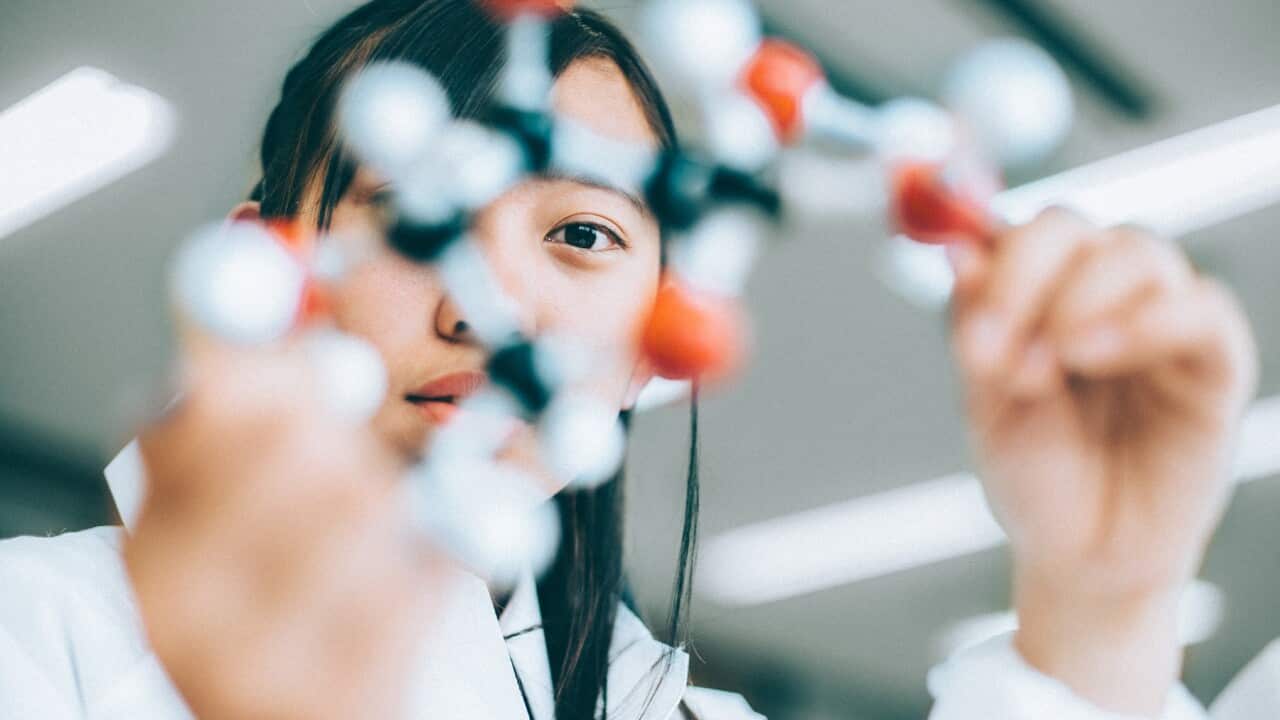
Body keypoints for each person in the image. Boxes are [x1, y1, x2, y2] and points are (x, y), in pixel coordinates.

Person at [0, 1, 1264, 718]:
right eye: (409, 211)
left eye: (582, 234)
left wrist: (1100, 603)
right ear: (264, 275)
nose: (487, 310)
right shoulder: (33, 633)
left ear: (664, 333)